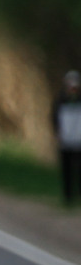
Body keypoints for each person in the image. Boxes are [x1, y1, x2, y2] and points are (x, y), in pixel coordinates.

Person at [60, 71, 81, 207]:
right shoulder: (60, 100)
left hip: (79, 142)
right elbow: (55, 119)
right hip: (65, 141)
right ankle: (68, 198)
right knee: (67, 170)